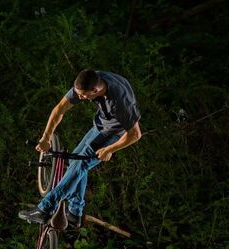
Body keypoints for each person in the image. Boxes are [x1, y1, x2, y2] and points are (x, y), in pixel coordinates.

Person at [18, 69, 142, 228]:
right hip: (100, 126)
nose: (80, 98)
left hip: (115, 134)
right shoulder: (89, 81)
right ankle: (75, 213)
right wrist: (46, 137)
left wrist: (110, 149)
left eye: (83, 96)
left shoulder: (120, 102)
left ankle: (45, 208)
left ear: (95, 90)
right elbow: (59, 109)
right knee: (75, 159)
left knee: (80, 164)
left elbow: (135, 134)